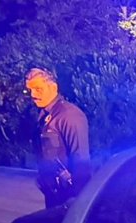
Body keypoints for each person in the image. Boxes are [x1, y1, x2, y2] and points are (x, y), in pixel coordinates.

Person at [25, 67, 90, 208]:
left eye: (38, 89)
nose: (33, 95)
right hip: (53, 193)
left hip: (67, 197)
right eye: (30, 90)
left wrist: (77, 200)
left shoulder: (69, 115)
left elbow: (81, 160)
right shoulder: (45, 114)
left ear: (53, 88)